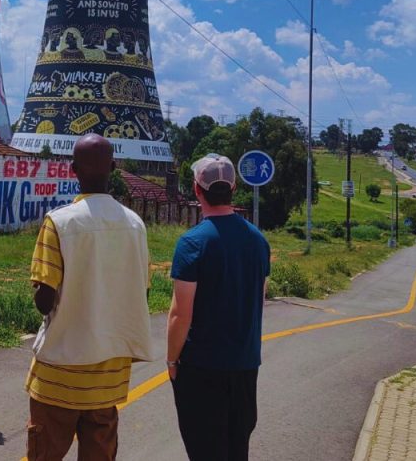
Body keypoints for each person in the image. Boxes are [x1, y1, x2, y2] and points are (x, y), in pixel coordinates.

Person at [25, 133, 155, 461]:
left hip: (59, 371)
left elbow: (44, 300)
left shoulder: (59, 222)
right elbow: (142, 290)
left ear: (72, 169)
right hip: (108, 375)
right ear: (113, 167)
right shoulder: (136, 225)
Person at [167, 153, 270, 461]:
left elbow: (179, 314)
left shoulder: (192, 243)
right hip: (245, 365)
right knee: (236, 450)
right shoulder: (258, 240)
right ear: (234, 188)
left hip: (201, 368)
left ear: (197, 190)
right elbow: (259, 300)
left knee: (205, 451)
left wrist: (172, 361)